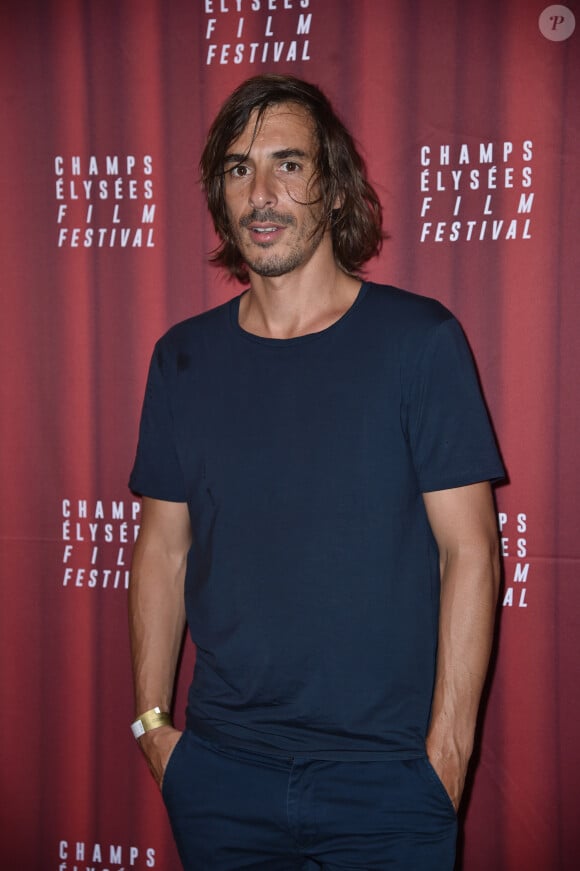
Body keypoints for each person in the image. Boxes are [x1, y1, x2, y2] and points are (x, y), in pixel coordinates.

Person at [128, 74, 504, 871]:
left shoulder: (420, 343)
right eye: (238, 169)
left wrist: (448, 757)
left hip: (389, 784)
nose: (262, 193)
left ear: (332, 188)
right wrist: (155, 728)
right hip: (220, 777)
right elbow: (161, 550)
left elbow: (470, 552)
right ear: (220, 198)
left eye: (288, 165)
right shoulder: (182, 358)